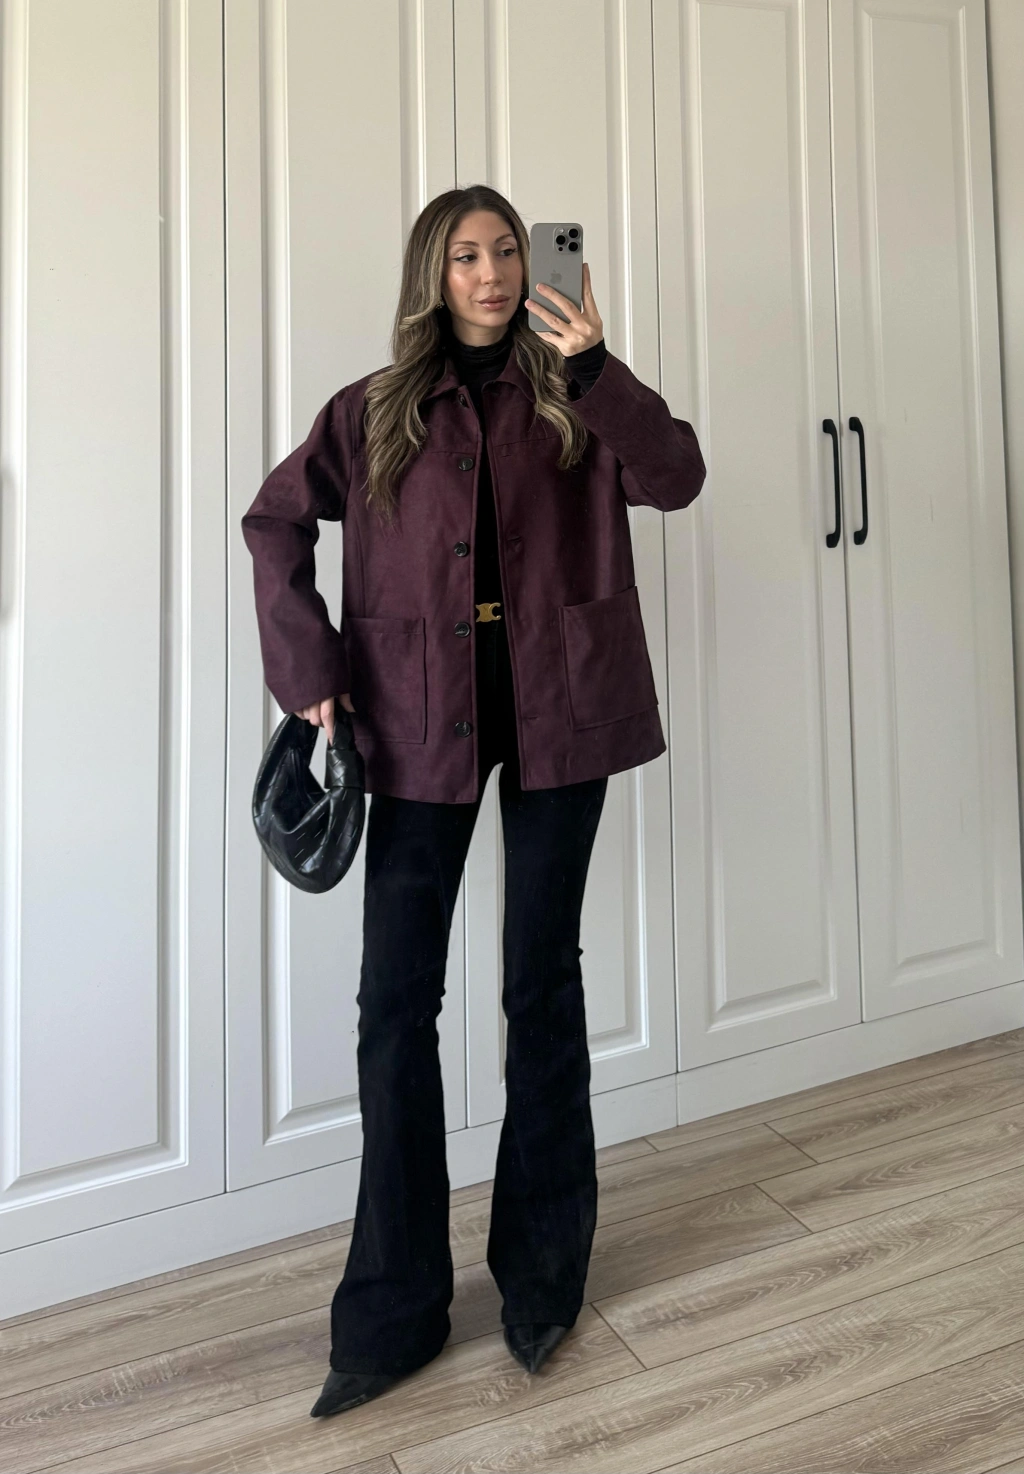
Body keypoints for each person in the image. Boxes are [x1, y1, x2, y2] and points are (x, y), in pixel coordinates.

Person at [241, 184, 706, 1419]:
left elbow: (677, 477)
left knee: (540, 983)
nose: (493, 273)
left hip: (563, 703)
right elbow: (275, 521)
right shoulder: (373, 409)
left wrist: (593, 362)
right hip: (413, 714)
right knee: (395, 1003)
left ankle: (542, 1277)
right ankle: (393, 1310)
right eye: (466, 256)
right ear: (431, 275)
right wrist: (308, 667)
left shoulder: (576, 393)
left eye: (508, 251)